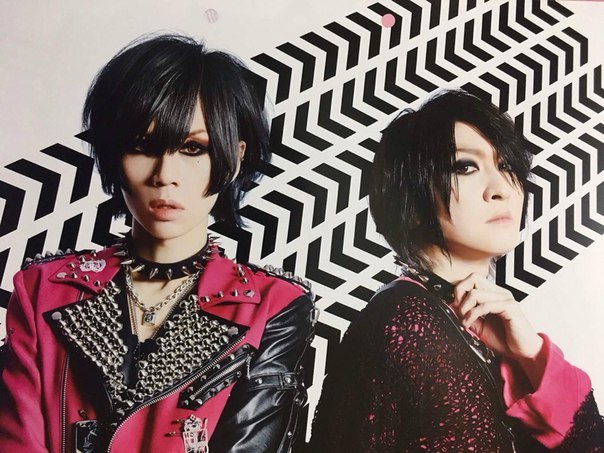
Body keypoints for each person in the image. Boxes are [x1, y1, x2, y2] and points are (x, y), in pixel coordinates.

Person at [0, 34, 316, 453]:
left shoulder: (275, 305)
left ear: (235, 157)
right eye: (142, 146)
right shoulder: (44, 288)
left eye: (193, 148)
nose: (165, 175)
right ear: (114, 155)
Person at [308, 90, 604, 451]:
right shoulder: (405, 323)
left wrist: (530, 354)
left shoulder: (487, 330)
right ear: (412, 200)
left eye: (506, 165)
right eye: (465, 166)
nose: (501, 188)